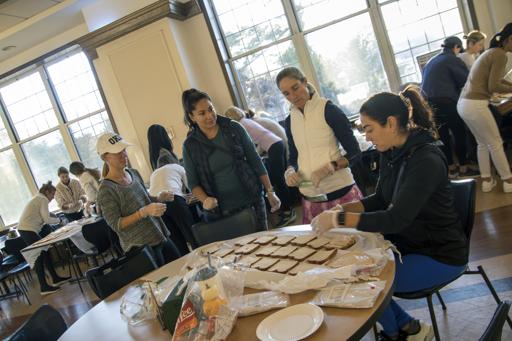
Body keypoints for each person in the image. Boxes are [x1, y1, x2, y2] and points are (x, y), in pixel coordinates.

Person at [312, 86, 468, 341]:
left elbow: (396, 219)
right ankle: (407, 328)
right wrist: (341, 210)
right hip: (411, 244)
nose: (367, 136)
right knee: (350, 271)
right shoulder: (393, 152)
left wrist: (339, 220)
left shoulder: (425, 159)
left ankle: (399, 333)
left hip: (440, 254)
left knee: (359, 280)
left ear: (392, 123)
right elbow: (382, 199)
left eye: (369, 128)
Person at [182, 89, 281, 231]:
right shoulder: (190, 146)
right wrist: (205, 200)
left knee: (263, 244)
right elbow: (193, 183)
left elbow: (255, 161)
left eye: (211, 109)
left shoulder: (234, 128)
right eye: (202, 113)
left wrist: (270, 191)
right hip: (223, 211)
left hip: (252, 198)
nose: (210, 115)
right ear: (192, 117)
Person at [275, 67, 363, 223]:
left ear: (304, 82)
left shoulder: (329, 110)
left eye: (295, 88)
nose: (293, 96)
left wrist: (331, 167)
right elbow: (295, 156)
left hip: (340, 193)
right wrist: (290, 170)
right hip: (310, 199)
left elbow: (355, 153)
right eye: (286, 93)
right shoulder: (290, 121)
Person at [96, 132, 181, 266]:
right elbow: (116, 225)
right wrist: (142, 213)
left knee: (180, 268)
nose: (123, 154)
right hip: (140, 247)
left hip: (159, 234)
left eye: (123, 150)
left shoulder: (133, 173)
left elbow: (145, 200)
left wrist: (158, 197)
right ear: (105, 157)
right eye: (118, 152)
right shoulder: (106, 190)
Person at [457, 23, 512, 193]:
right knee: (495, 142)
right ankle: (508, 181)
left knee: (482, 143)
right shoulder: (500, 55)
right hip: (475, 104)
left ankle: (487, 182)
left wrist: (509, 85)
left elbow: (496, 81)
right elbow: (493, 85)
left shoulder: (490, 52)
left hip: (463, 104)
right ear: (509, 39)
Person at [224, 106, 295, 227]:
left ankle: (288, 211)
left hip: (274, 146)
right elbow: (260, 140)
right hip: (278, 143)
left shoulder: (241, 126)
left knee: (278, 181)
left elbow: (250, 147)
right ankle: (288, 210)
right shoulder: (247, 121)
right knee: (280, 179)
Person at [421, 36, 477, 178]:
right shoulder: (452, 59)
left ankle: (451, 168)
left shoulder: (432, 60)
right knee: (459, 133)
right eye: (460, 49)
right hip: (447, 102)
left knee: (443, 136)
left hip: (430, 104)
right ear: (456, 47)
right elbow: (466, 82)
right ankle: (464, 167)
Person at [18, 181, 70, 295]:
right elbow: (46, 220)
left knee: (45, 252)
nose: (53, 197)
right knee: (39, 256)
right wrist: (60, 220)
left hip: (28, 229)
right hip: (27, 230)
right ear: (47, 192)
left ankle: (55, 278)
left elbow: (44, 214)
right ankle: (44, 287)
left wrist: (54, 216)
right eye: (52, 194)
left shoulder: (39, 198)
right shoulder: (43, 199)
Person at [149, 152, 197, 253]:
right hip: (174, 200)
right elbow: (192, 185)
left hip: (158, 206)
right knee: (191, 234)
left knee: (177, 240)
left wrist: (183, 196)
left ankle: (187, 265)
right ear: (172, 160)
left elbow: (162, 187)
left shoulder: (154, 173)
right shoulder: (176, 166)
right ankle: (203, 257)